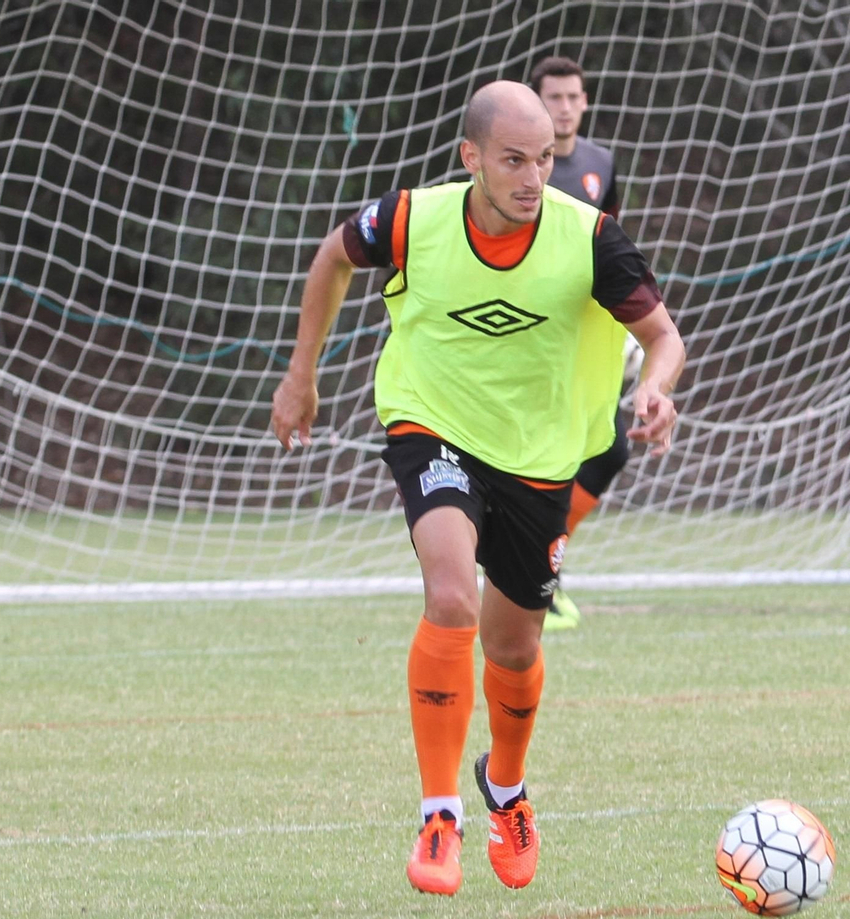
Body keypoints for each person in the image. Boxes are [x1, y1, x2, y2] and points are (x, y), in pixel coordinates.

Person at [271, 81, 685, 897]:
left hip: (539, 455)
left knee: (514, 645)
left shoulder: (591, 239)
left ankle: (504, 784)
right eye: (513, 161)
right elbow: (331, 257)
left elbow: (662, 337)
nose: (534, 178)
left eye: (543, 160)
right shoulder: (412, 218)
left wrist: (658, 388)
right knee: (453, 597)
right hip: (434, 424)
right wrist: (300, 373)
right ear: (472, 159)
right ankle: (439, 814)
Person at [530, 55, 630, 631]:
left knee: (609, 448)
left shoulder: (600, 164)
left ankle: (547, 558)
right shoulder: (520, 167)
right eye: (554, 98)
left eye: (573, 97)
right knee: (543, 455)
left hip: (586, 336)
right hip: (533, 337)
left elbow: (609, 246)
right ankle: (536, 575)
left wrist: (626, 327)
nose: (564, 108)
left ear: (584, 101)